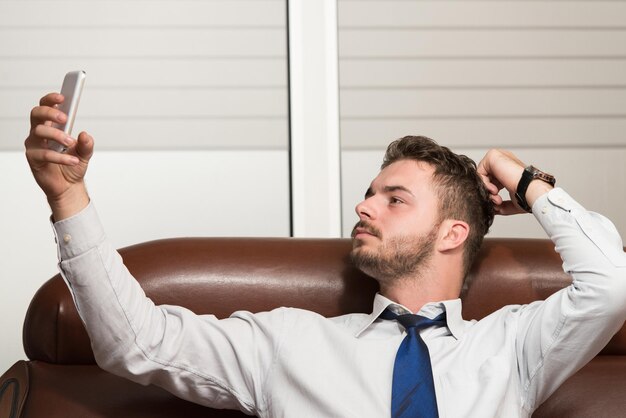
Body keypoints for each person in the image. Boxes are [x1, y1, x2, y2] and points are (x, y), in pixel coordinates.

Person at [25, 92, 626, 417]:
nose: (364, 209)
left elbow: (610, 285)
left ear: (452, 233)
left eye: (395, 199)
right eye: (368, 195)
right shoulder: (288, 342)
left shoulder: (513, 346)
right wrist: (69, 197)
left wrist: (522, 179)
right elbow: (137, 343)